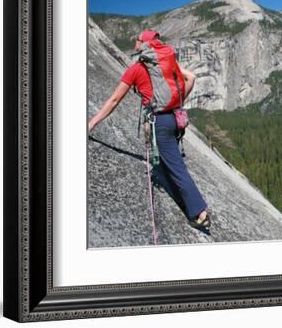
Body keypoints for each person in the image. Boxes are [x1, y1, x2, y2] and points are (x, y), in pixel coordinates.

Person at [88, 30, 211, 229]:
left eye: (137, 40)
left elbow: (114, 100)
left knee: (177, 168)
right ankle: (188, 202)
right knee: (169, 163)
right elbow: (191, 77)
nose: (135, 42)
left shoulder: (136, 69)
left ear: (142, 45)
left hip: (159, 123)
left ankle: (200, 213)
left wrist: (91, 123)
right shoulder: (164, 65)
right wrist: (177, 103)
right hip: (173, 118)